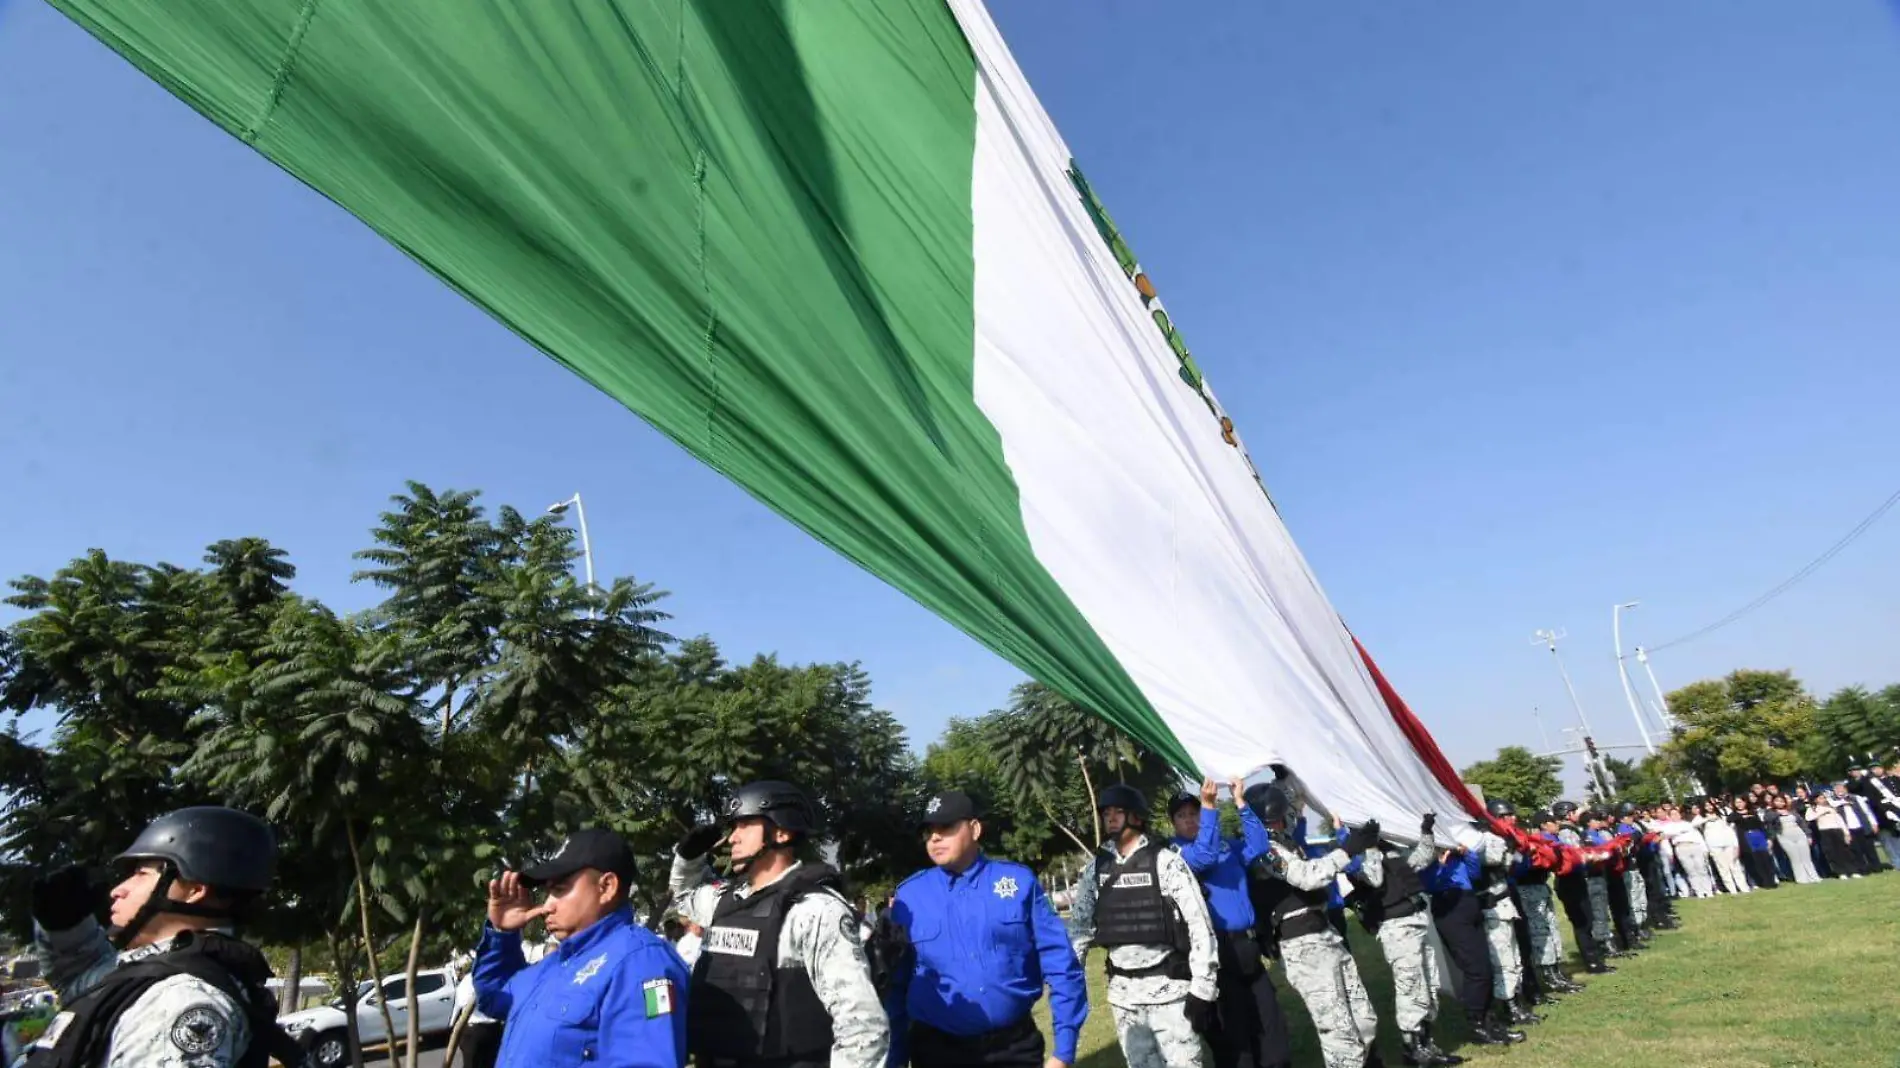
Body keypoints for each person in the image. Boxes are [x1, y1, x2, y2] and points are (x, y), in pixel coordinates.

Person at [19, 806, 298, 1068]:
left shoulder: (181, 1002)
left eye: (141, 874)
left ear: (193, 890)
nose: (118, 890)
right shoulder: (161, 972)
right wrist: (65, 926)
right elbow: (87, 981)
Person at [672, 780, 889, 1068]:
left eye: (745, 825)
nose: (732, 838)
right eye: (733, 827)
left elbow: (863, 1025)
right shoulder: (724, 902)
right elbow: (684, 897)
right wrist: (687, 859)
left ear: (782, 832)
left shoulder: (815, 910)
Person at [883, 790, 1087, 1068]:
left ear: (975, 828)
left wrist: (1063, 1051)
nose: (935, 837)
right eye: (928, 831)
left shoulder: (1017, 883)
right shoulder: (910, 898)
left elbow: (1061, 965)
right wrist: (894, 1061)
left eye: (946, 827)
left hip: (1013, 1049)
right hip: (937, 1052)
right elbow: (896, 986)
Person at [476, 827, 690, 1067]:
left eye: (559, 890)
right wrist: (502, 934)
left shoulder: (643, 964)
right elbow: (495, 996)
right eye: (547, 892)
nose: (546, 906)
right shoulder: (557, 963)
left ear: (606, 887)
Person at [1068, 784, 1218, 1068]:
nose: (1110, 818)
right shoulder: (1095, 870)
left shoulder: (1166, 862)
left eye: (1118, 812)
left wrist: (1203, 989)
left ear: (1137, 817)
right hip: (1124, 1000)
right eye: (1106, 813)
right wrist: (1071, 988)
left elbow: (1200, 925)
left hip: (1170, 992)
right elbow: (1079, 933)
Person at [1242, 780, 1387, 1068]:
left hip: (1326, 934)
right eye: (1277, 817)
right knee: (1338, 1030)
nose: (1285, 820)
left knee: (1364, 1019)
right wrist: (1347, 850)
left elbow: (1298, 799)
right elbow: (1307, 877)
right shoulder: (1264, 852)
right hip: (1302, 945)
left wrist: (1286, 778)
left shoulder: (1290, 844)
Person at [1168, 780, 1293, 1068]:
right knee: (1236, 1038)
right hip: (1221, 953)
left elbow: (1259, 846)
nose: (1190, 819)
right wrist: (1210, 807)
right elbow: (1203, 858)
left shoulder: (1223, 843)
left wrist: (1240, 803)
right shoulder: (1177, 852)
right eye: (1182, 815)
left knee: (1271, 1026)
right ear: (1173, 823)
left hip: (1248, 945)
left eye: (1194, 812)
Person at [1346, 812, 1461, 1067]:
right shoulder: (1356, 857)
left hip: (1417, 920)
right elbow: (1374, 878)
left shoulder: (1392, 851)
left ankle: (1426, 1043)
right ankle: (1412, 1050)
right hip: (1396, 929)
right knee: (1411, 987)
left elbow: (1422, 858)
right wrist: (1370, 845)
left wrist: (1426, 830)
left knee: (1429, 984)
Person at [1471, 803, 1538, 1028]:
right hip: (1492, 906)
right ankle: (1508, 1007)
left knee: (1515, 957)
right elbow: (1489, 860)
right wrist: (1505, 843)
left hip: (1505, 902)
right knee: (1504, 960)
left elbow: (1508, 866)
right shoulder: (1481, 841)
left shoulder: (1498, 840)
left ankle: (1516, 1002)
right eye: (1504, 815)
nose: (1511, 818)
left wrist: (1511, 847)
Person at [1764, 795, 1821, 884]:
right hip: (1784, 836)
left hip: (1799, 834)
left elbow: (1802, 823)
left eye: (1781, 801)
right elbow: (1769, 825)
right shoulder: (1771, 813)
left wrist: (1808, 835)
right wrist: (1770, 839)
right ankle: (1801, 879)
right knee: (1795, 858)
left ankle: (1813, 877)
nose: (1779, 803)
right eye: (1777, 801)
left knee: (1806, 857)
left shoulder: (1792, 811)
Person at [453, 965, 503, 1068]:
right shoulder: (469, 980)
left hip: (492, 1028)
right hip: (476, 1028)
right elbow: (464, 1002)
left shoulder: (495, 977)